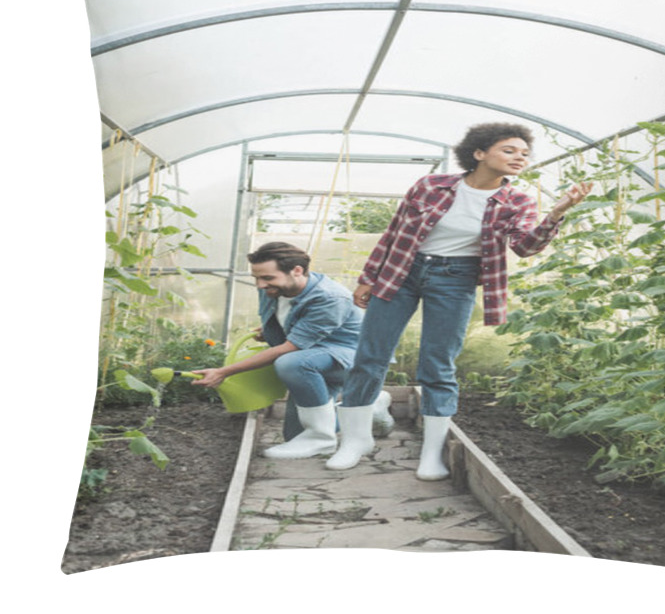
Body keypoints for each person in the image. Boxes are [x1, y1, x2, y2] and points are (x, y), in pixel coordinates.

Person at [325, 122, 592, 479]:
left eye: (524, 154)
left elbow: (525, 247)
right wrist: (367, 277)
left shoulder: (517, 201)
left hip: (456, 279)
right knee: (370, 357)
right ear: (479, 153)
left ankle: (431, 454)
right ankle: (355, 441)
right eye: (509, 150)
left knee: (438, 365)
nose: (519, 158)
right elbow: (394, 233)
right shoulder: (430, 186)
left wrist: (557, 212)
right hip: (402, 271)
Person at [190, 242, 391, 458]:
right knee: (294, 437)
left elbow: (288, 349)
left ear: (297, 271)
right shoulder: (274, 289)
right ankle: (371, 406)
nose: (260, 285)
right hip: (316, 357)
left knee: (291, 363)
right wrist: (269, 330)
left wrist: (223, 372)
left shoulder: (329, 297)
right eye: (256, 278)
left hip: (353, 361)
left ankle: (322, 439)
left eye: (267, 278)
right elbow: (292, 324)